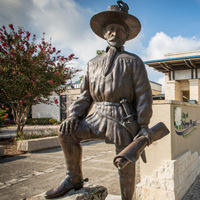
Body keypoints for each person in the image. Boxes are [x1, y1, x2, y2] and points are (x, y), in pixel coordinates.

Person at [45, 1, 153, 200]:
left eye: (119, 30)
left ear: (127, 36)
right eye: (110, 29)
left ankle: (127, 198)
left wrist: (143, 125)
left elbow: (144, 95)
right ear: (104, 34)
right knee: (65, 132)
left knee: (125, 161)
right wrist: (74, 115)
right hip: (98, 115)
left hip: (123, 118)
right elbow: (84, 95)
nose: (114, 33)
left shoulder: (133, 61)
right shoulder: (91, 64)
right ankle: (73, 178)